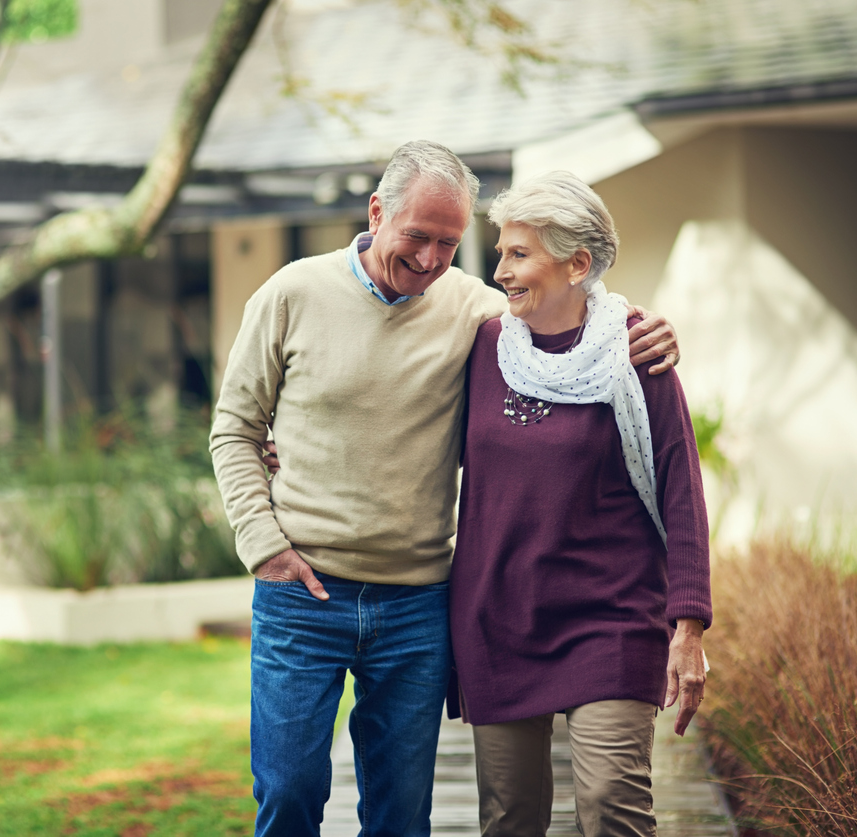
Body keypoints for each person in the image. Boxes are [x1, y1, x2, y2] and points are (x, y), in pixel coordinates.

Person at [210, 141, 681, 837]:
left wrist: (644, 327)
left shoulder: (478, 314)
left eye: (449, 243)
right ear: (378, 212)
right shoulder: (289, 294)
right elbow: (234, 429)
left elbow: (565, 304)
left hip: (416, 603)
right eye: (418, 237)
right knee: (289, 792)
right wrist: (265, 546)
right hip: (301, 594)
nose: (432, 259)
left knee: (402, 812)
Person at [448, 170, 711, 837]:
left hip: (610, 617)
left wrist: (688, 628)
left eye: (518, 254)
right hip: (499, 619)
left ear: (578, 263)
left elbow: (681, 489)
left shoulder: (635, 350)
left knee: (612, 810)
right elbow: (399, 424)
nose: (500, 271)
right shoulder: (482, 348)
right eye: (501, 251)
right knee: (509, 820)